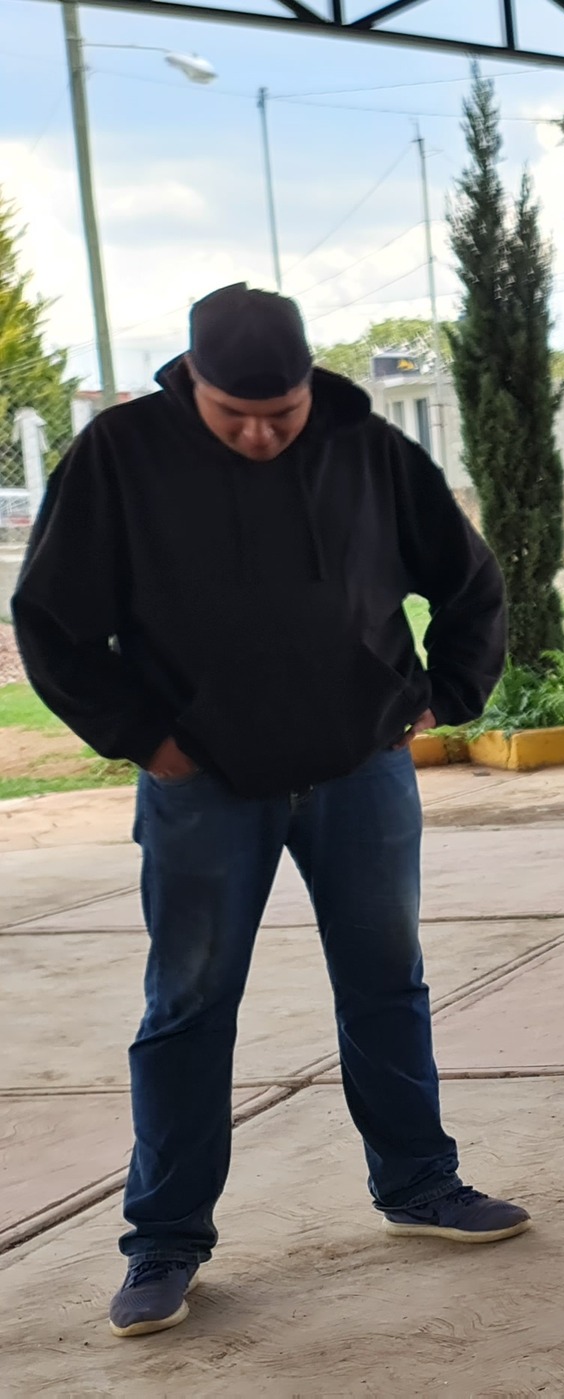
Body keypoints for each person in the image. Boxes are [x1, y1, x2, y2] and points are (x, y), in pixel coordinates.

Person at [10, 284, 524, 1338]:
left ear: (307, 386)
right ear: (189, 380)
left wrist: (440, 697)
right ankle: (164, 1239)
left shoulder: (368, 449)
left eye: (279, 414)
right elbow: (50, 623)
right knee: (188, 1008)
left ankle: (420, 1183)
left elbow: (469, 582)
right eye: (232, 412)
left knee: (388, 983)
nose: (258, 433)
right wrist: (145, 739)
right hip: (205, 788)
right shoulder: (119, 456)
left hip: (357, 772)